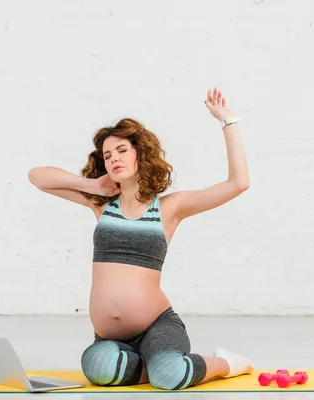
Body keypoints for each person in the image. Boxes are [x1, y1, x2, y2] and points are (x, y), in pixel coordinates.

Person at [28, 87, 253, 390]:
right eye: (107, 155)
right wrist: (90, 184)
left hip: (157, 325)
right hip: (110, 337)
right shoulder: (102, 204)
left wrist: (229, 121)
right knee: (97, 367)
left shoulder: (170, 207)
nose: (114, 159)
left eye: (122, 150)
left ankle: (228, 363)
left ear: (139, 154)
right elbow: (37, 177)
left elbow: (238, 183)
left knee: (168, 376)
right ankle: (157, 364)